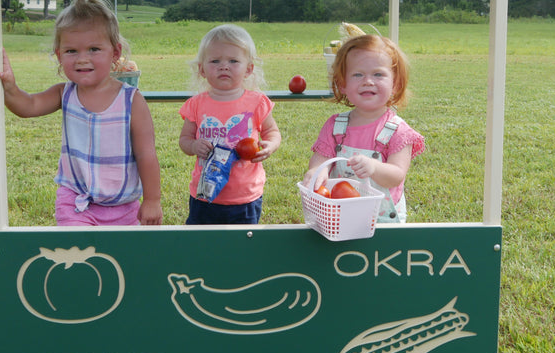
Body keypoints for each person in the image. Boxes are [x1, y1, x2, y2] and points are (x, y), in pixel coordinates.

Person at [0, 0, 163, 227]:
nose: (82, 58)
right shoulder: (63, 93)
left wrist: (152, 199)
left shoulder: (131, 101)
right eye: (71, 51)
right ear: (59, 55)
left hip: (124, 206)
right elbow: (28, 106)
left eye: (94, 49)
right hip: (75, 202)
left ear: (115, 52)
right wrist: (11, 88)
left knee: (124, 262)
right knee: (80, 258)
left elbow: (146, 154)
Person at [304, 33, 424, 223]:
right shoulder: (335, 126)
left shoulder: (398, 131)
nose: (368, 81)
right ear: (342, 84)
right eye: (358, 74)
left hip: (381, 221)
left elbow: (396, 175)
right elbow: (320, 160)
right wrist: (316, 172)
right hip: (339, 216)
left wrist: (374, 167)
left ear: (395, 84)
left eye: (378, 74)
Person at [179, 24, 281, 224]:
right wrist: (193, 146)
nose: (224, 66)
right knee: (202, 245)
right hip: (205, 193)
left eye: (233, 61)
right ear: (201, 69)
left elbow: (273, 132)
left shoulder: (257, 102)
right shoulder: (196, 104)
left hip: (244, 195)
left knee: (242, 247)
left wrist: (270, 145)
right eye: (215, 60)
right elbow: (184, 139)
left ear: (248, 68)